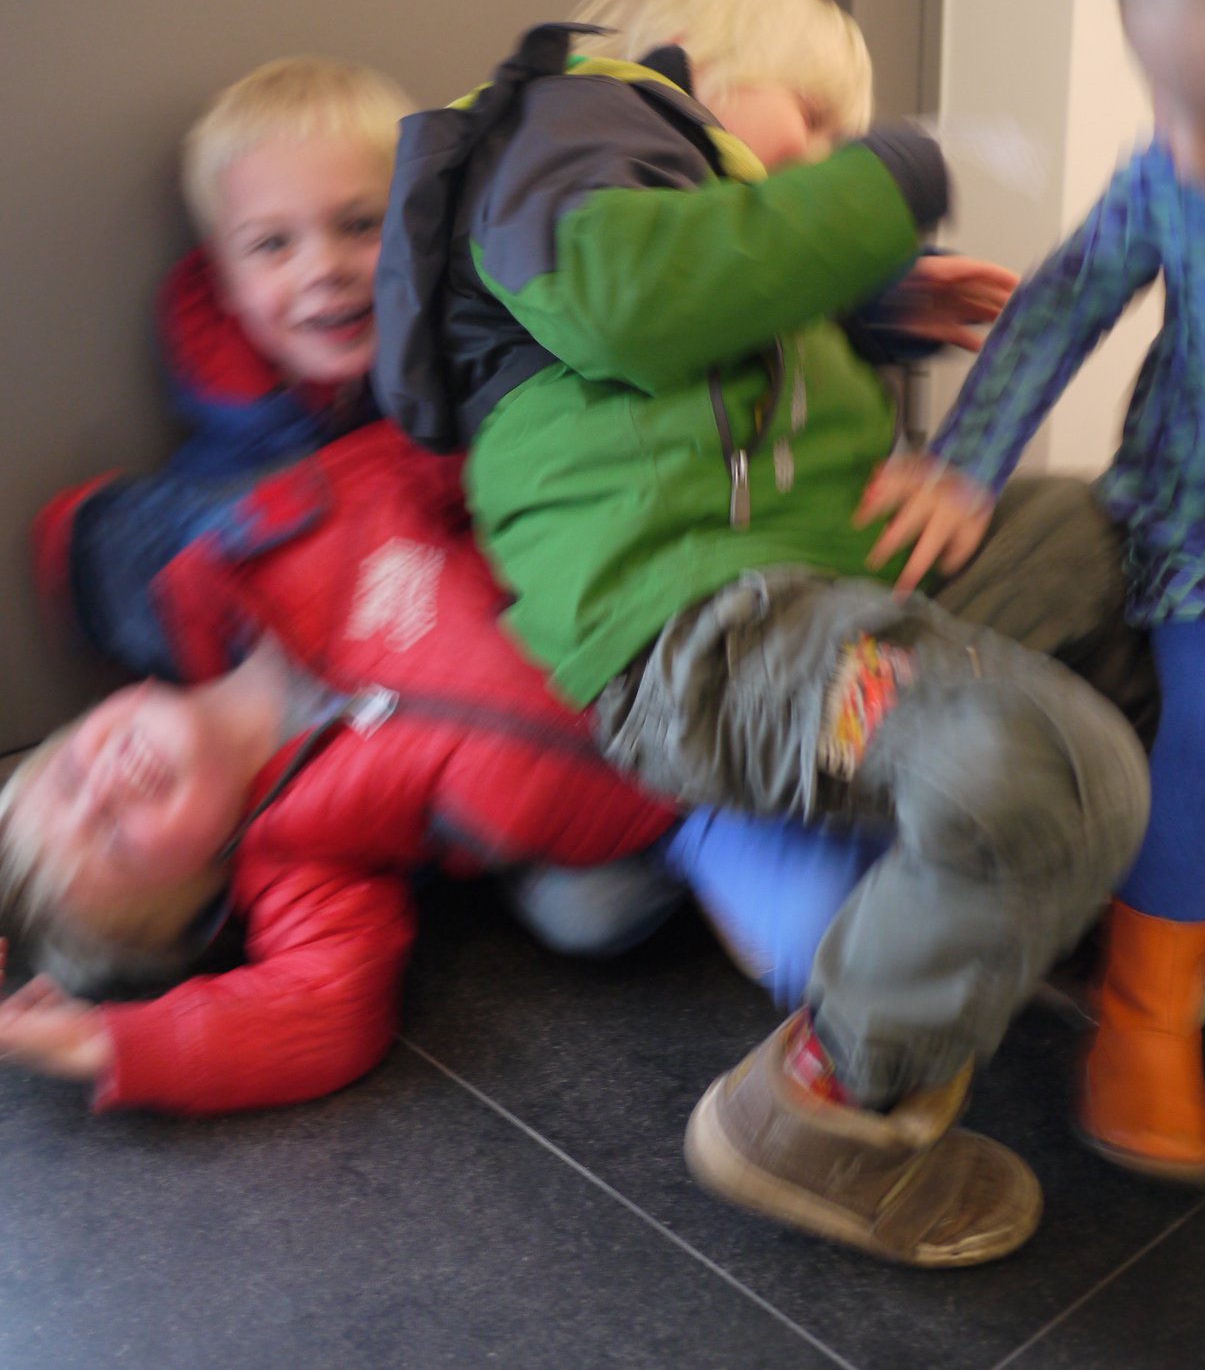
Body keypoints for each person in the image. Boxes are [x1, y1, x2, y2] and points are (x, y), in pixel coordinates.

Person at [373, 0, 1151, 1266]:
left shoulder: (667, 204)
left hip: (834, 602)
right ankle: (822, 1103)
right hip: (711, 642)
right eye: (818, 121)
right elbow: (633, 303)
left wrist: (878, 310)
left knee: (1092, 528)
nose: (837, 154)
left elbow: (723, 334)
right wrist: (888, 178)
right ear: (685, 64)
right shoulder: (562, 119)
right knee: (1060, 771)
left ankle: (1067, 880)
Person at [1, 420, 900, 1113]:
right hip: (676, 805)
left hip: (670, 586)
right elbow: (325, 1010)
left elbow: (446, 452)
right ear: (203, 894)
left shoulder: (260, 553)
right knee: (833, 946)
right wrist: (109, 1047)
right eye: (116, 837)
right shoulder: (300, 861)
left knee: (867, 672)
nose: (107, 784)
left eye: (71, 777)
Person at [856, 0, 1205, 1185]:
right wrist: (970, 460)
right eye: (1170, 100)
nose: (1191, 147)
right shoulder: (1174, 175)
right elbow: (1059, 304)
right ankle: (1146, 1009)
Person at [37, 55, 415, 678]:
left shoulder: (463, 381)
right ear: (226, 284)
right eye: (273, 244)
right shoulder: (228, 450)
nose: (323, 268)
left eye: (359, 224)